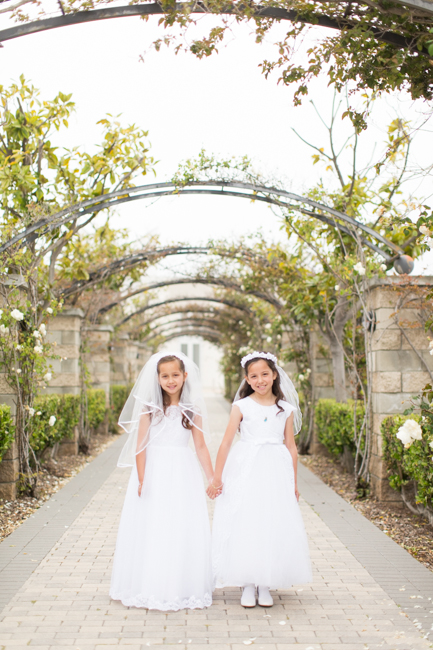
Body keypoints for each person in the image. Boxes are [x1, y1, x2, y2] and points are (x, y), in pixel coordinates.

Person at [110, 351, 214, 611]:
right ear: (157, 378)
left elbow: (200, 447)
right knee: (154, 522)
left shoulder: (192, 410)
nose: (171, 380)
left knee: (180, 523)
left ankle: (181, 584)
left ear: (185, 376)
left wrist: (212, 477)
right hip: (155, 470)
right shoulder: (150, 409)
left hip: (182, 471)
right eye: (165, 376)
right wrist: (142, 478)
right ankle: (151, 582)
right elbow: (140, 446)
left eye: (175, 375)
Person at [207, 351, 312, 608]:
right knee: (246, 519)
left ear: (274, 375)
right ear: (247, 379)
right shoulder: (241, 406)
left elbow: (291, 448)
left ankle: (265, 583)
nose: (260, 380)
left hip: (274, 468)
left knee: (270, 520)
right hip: (246, 466)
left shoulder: (285, 408)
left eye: (265, 374)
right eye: (254, 376)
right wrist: (217, 478)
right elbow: (226, 442)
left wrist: (293, 483)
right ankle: (247, 583)